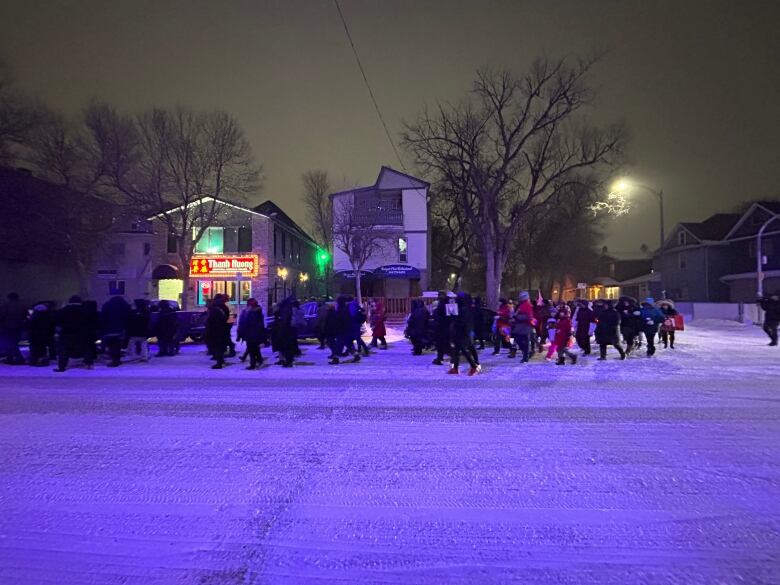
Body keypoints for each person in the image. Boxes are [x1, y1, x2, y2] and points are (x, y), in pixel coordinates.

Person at [54, 295, 91, 371]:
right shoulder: (85, 310)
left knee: (64, 350)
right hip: (82, 333)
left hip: (66, 333)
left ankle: (62, 366)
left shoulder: (63, 310)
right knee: (86, 348)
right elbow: (90, 322)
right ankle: (88, 364)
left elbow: (58, 322)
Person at [448, 292, 481, 375]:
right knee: (457, 349)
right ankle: (455, 368)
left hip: (462, 332)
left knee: (463, 349)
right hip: (463, 331)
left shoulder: (464, 309)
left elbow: (462, 321)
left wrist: (454, 317)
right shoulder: (466, 308)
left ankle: (473, 366)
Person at [100, 293, 132, 367]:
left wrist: (103, 328)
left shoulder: (107, 305)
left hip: (109, 329)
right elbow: (129, 317)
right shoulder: (125, 305)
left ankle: (114, 360)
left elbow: (103, 317)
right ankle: (117, 359)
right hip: (121, 329)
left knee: (112, 345)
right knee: (117, 345)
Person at [237, 298, 268, 369]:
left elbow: (244, 323)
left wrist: (240, 333)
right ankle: (259, 360)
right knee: (254, 348)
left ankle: (253, 364)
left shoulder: (249, 312)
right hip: (255, 333)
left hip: (250, 333)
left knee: (251, 349)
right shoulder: (257, 311)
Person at [0, 292, 28, 365]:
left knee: (9, 343)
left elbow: (1, 316)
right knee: (13, 342)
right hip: (19, 327)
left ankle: (17, 358)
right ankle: (11, 358)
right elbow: (25, 316)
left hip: (7, 327)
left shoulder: (5, 305)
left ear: (9, 298)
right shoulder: (23, 305)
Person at [27, 302, 56, 366]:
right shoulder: (49, 316)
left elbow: (30, 326)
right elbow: (52, 327)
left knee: (35, 348)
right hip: (45, 335)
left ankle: (34, 361)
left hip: (34, 336)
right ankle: (43, 361)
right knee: (43, 349)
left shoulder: (34, 317)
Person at [205, 295, 230, 369]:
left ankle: (219, 361)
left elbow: (213, 321)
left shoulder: (215, 310)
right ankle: (220, 359)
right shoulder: (218, 308)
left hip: (215, 331)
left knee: (216, 346)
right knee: (217, 346)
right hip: (218, 330)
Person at [509, 291, 534, 362]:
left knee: (524, 342)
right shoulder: (521, 305)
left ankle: (526, 356)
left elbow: (528, 316)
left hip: (525, 326)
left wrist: (517, 317)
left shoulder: (527, 305)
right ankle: (526, 354)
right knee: (518, 340)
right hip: (519, 326)